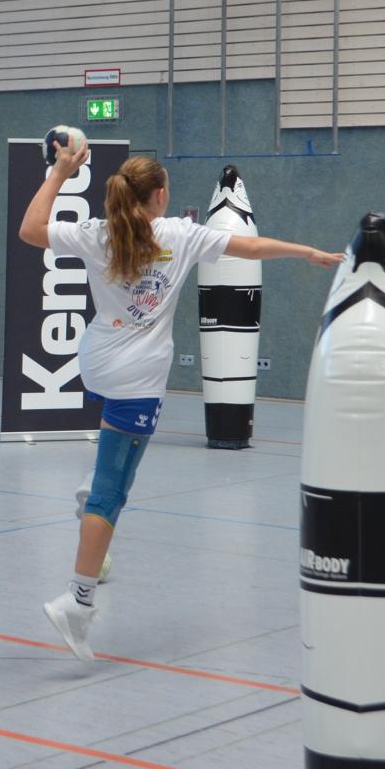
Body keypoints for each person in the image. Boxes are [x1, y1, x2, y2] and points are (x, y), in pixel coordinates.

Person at [18, 140, 343, 661]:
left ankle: (90, 481)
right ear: (161, 196)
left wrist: (59, 172)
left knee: (109, 452)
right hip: (137, 378)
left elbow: (30, 230)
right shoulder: (180, 234)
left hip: (95, 363)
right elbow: (251, 248)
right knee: (111, 495)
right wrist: (307, 252)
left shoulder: (98, 233)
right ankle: (76, 604)